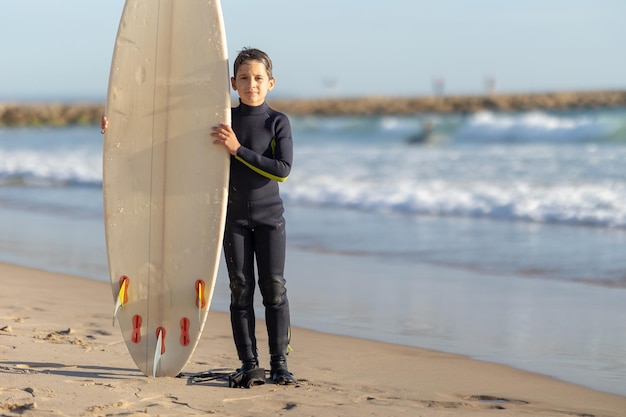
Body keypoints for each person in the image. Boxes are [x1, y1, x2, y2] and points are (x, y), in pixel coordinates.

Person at [211, 47, 296, 385]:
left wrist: (237, 150)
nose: (251, 84)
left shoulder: (277, 122)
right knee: (240, 289)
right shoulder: (223, 122)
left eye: (258, 78)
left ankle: (280, 364)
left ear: (271, 83)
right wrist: (117, 125)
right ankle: (249, 363)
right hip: (233, 220)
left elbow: (283, 170)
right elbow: (171, 136)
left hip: (270, 219)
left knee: (273, 289)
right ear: (233, 82)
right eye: (244, 78)